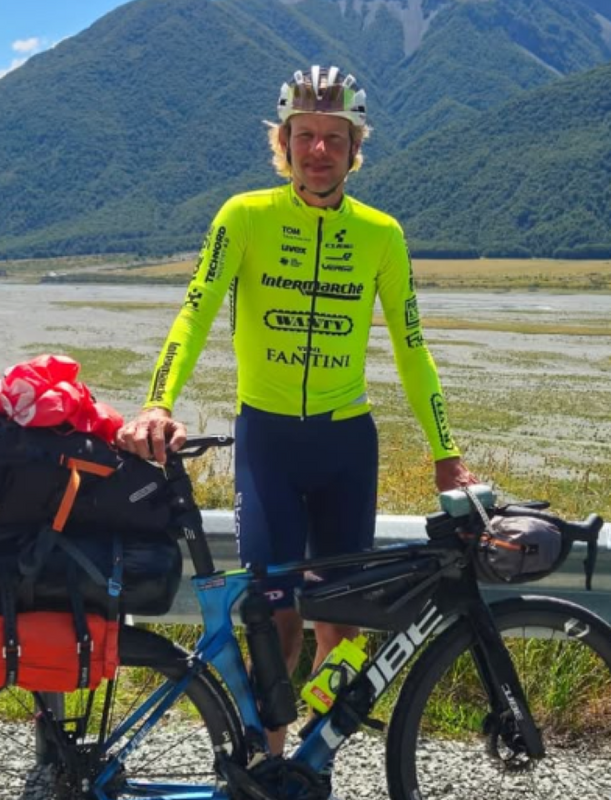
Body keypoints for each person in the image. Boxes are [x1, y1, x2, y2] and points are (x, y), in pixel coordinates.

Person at [116, 64, 478, 752]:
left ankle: (313, 768)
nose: (318, 150)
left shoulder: (383, 235)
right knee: (277, 624)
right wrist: (157, 401)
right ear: (283, 142)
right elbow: (194, 311)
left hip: (346, 447)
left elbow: (412, 347)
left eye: (334, 138)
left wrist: (446, 453)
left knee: (341, 631)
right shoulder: (244, 217)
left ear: (354, 148)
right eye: (305, 135)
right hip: (270, 448)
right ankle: (269, 763)